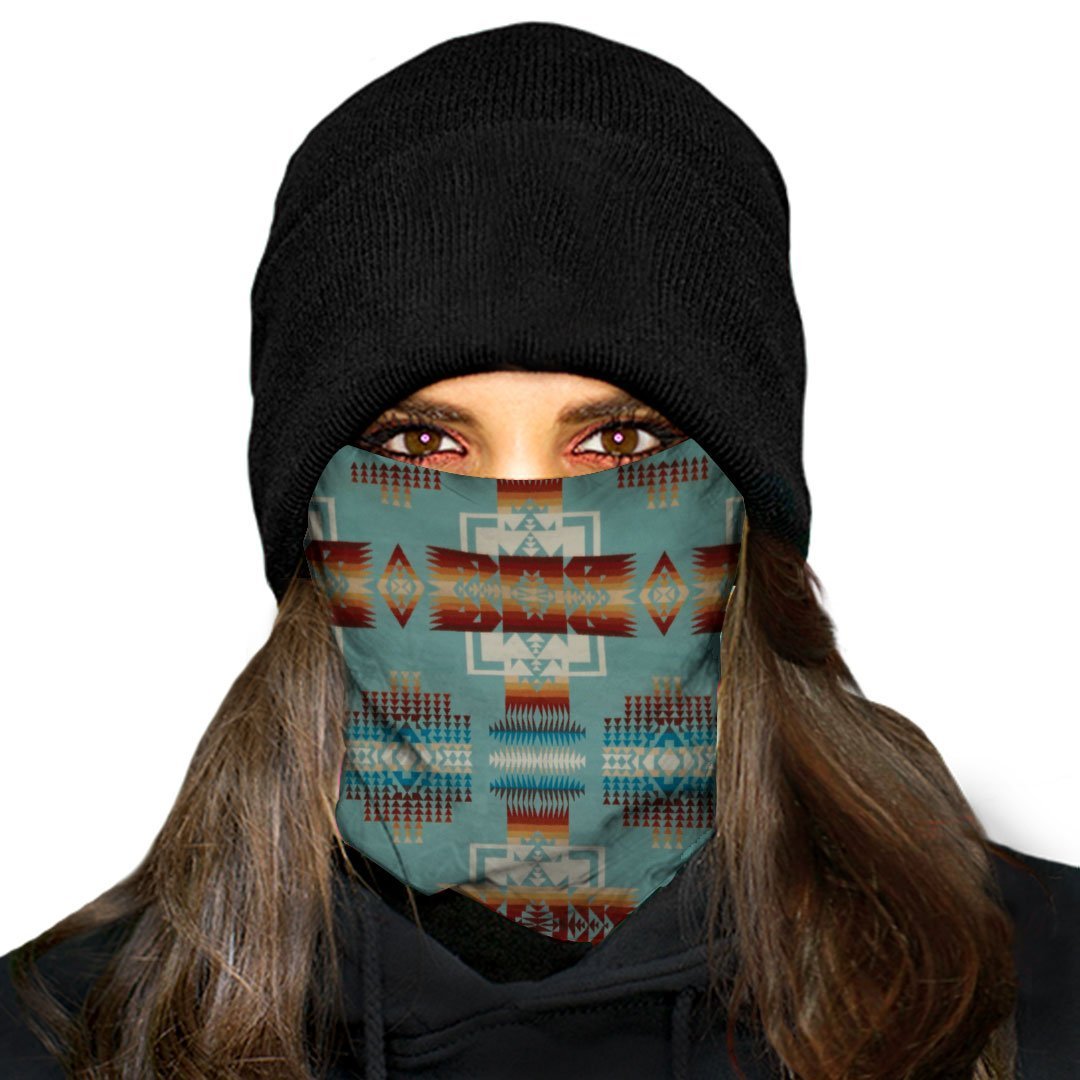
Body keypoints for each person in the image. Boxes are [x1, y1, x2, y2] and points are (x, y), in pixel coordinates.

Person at [2, 19, 1078, 1080]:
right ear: (311, 528)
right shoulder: (61, 1040)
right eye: (422, 445)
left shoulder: (1035, 1002)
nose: (524, 537)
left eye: (618, 442)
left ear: (746, 516)